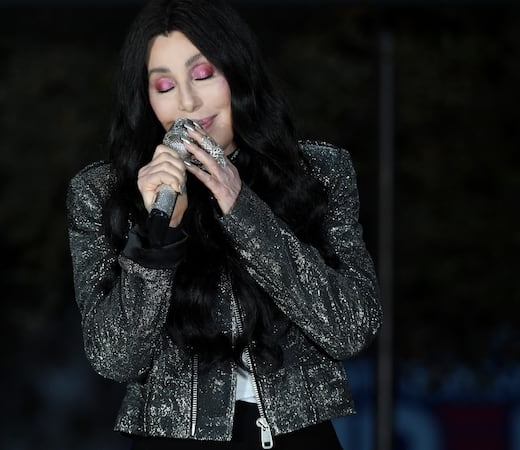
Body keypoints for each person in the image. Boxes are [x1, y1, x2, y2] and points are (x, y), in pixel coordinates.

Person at [66, 0, 382, 448]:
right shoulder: (102, 193)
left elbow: (351, 327)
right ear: (146, 97)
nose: (188, 102)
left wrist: (241, 207)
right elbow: (115, 358)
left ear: (237, 72)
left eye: (202, 75)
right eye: (164, 85)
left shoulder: (318, 172)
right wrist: (158, 236)